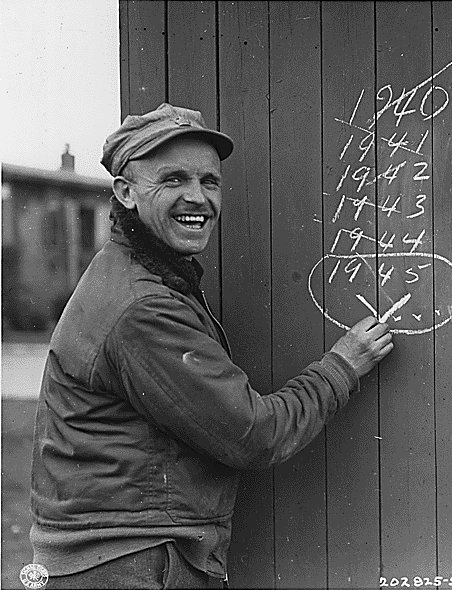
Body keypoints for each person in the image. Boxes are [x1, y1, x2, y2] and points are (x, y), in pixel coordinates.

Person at [30, 103, 393, 589]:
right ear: (126, 193)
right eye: (173, 180)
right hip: (130, 563)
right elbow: (254, 435)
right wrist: (343, 365)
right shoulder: (143, 308)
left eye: (210, 181)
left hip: (124, 556)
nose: (197, 197)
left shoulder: (141, 274)